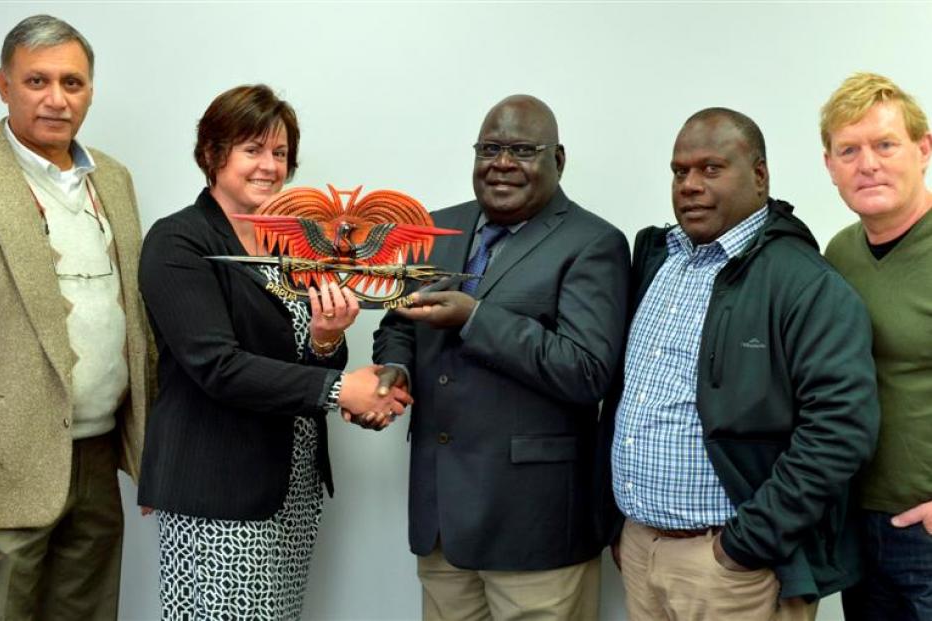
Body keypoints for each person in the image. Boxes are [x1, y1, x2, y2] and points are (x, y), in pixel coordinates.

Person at [137, 84, 410, 620]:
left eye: (280, 153)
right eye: (252, 149)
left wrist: (327, 340)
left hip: (291, 491)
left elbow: (302, 361)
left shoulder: (291, 248)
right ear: (212, 155)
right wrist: (341, 389)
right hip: (219, 495)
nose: (269, 166)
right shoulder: (178, 242)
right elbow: (218, 367)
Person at [606, 107, 880, 621]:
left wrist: (744, 546)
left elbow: (842, 429)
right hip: (641, 551)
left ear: (759, 175)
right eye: (679, 171)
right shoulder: (657, 258)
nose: (689, 185)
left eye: (711, 169)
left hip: (732, 570)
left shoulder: (803, 282)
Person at [371, 94, 630, 620]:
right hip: (444, 526)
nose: (502, 163)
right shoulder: (433, 228)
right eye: (490, 148)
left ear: (557, 160)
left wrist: (475, 318)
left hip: (535, 533)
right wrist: (395, 368)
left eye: (522, 150)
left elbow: (587, 371)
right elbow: (399, 322)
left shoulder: (594, 242)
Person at [0, 15, 151, 620]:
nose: (57, 99)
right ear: (4, 86)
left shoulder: (112, 178)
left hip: (99, 460)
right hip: (2, 475)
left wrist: (146, 448)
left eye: (73, 84)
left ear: (91, 92)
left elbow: (134, 321)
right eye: (37, 81)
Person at [821, 73, 932, 621]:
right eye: (849, 150)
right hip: (857, 526)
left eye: (885, 144)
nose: (868, 164)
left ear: (923, 149)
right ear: (830, 165)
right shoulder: (838, 254)